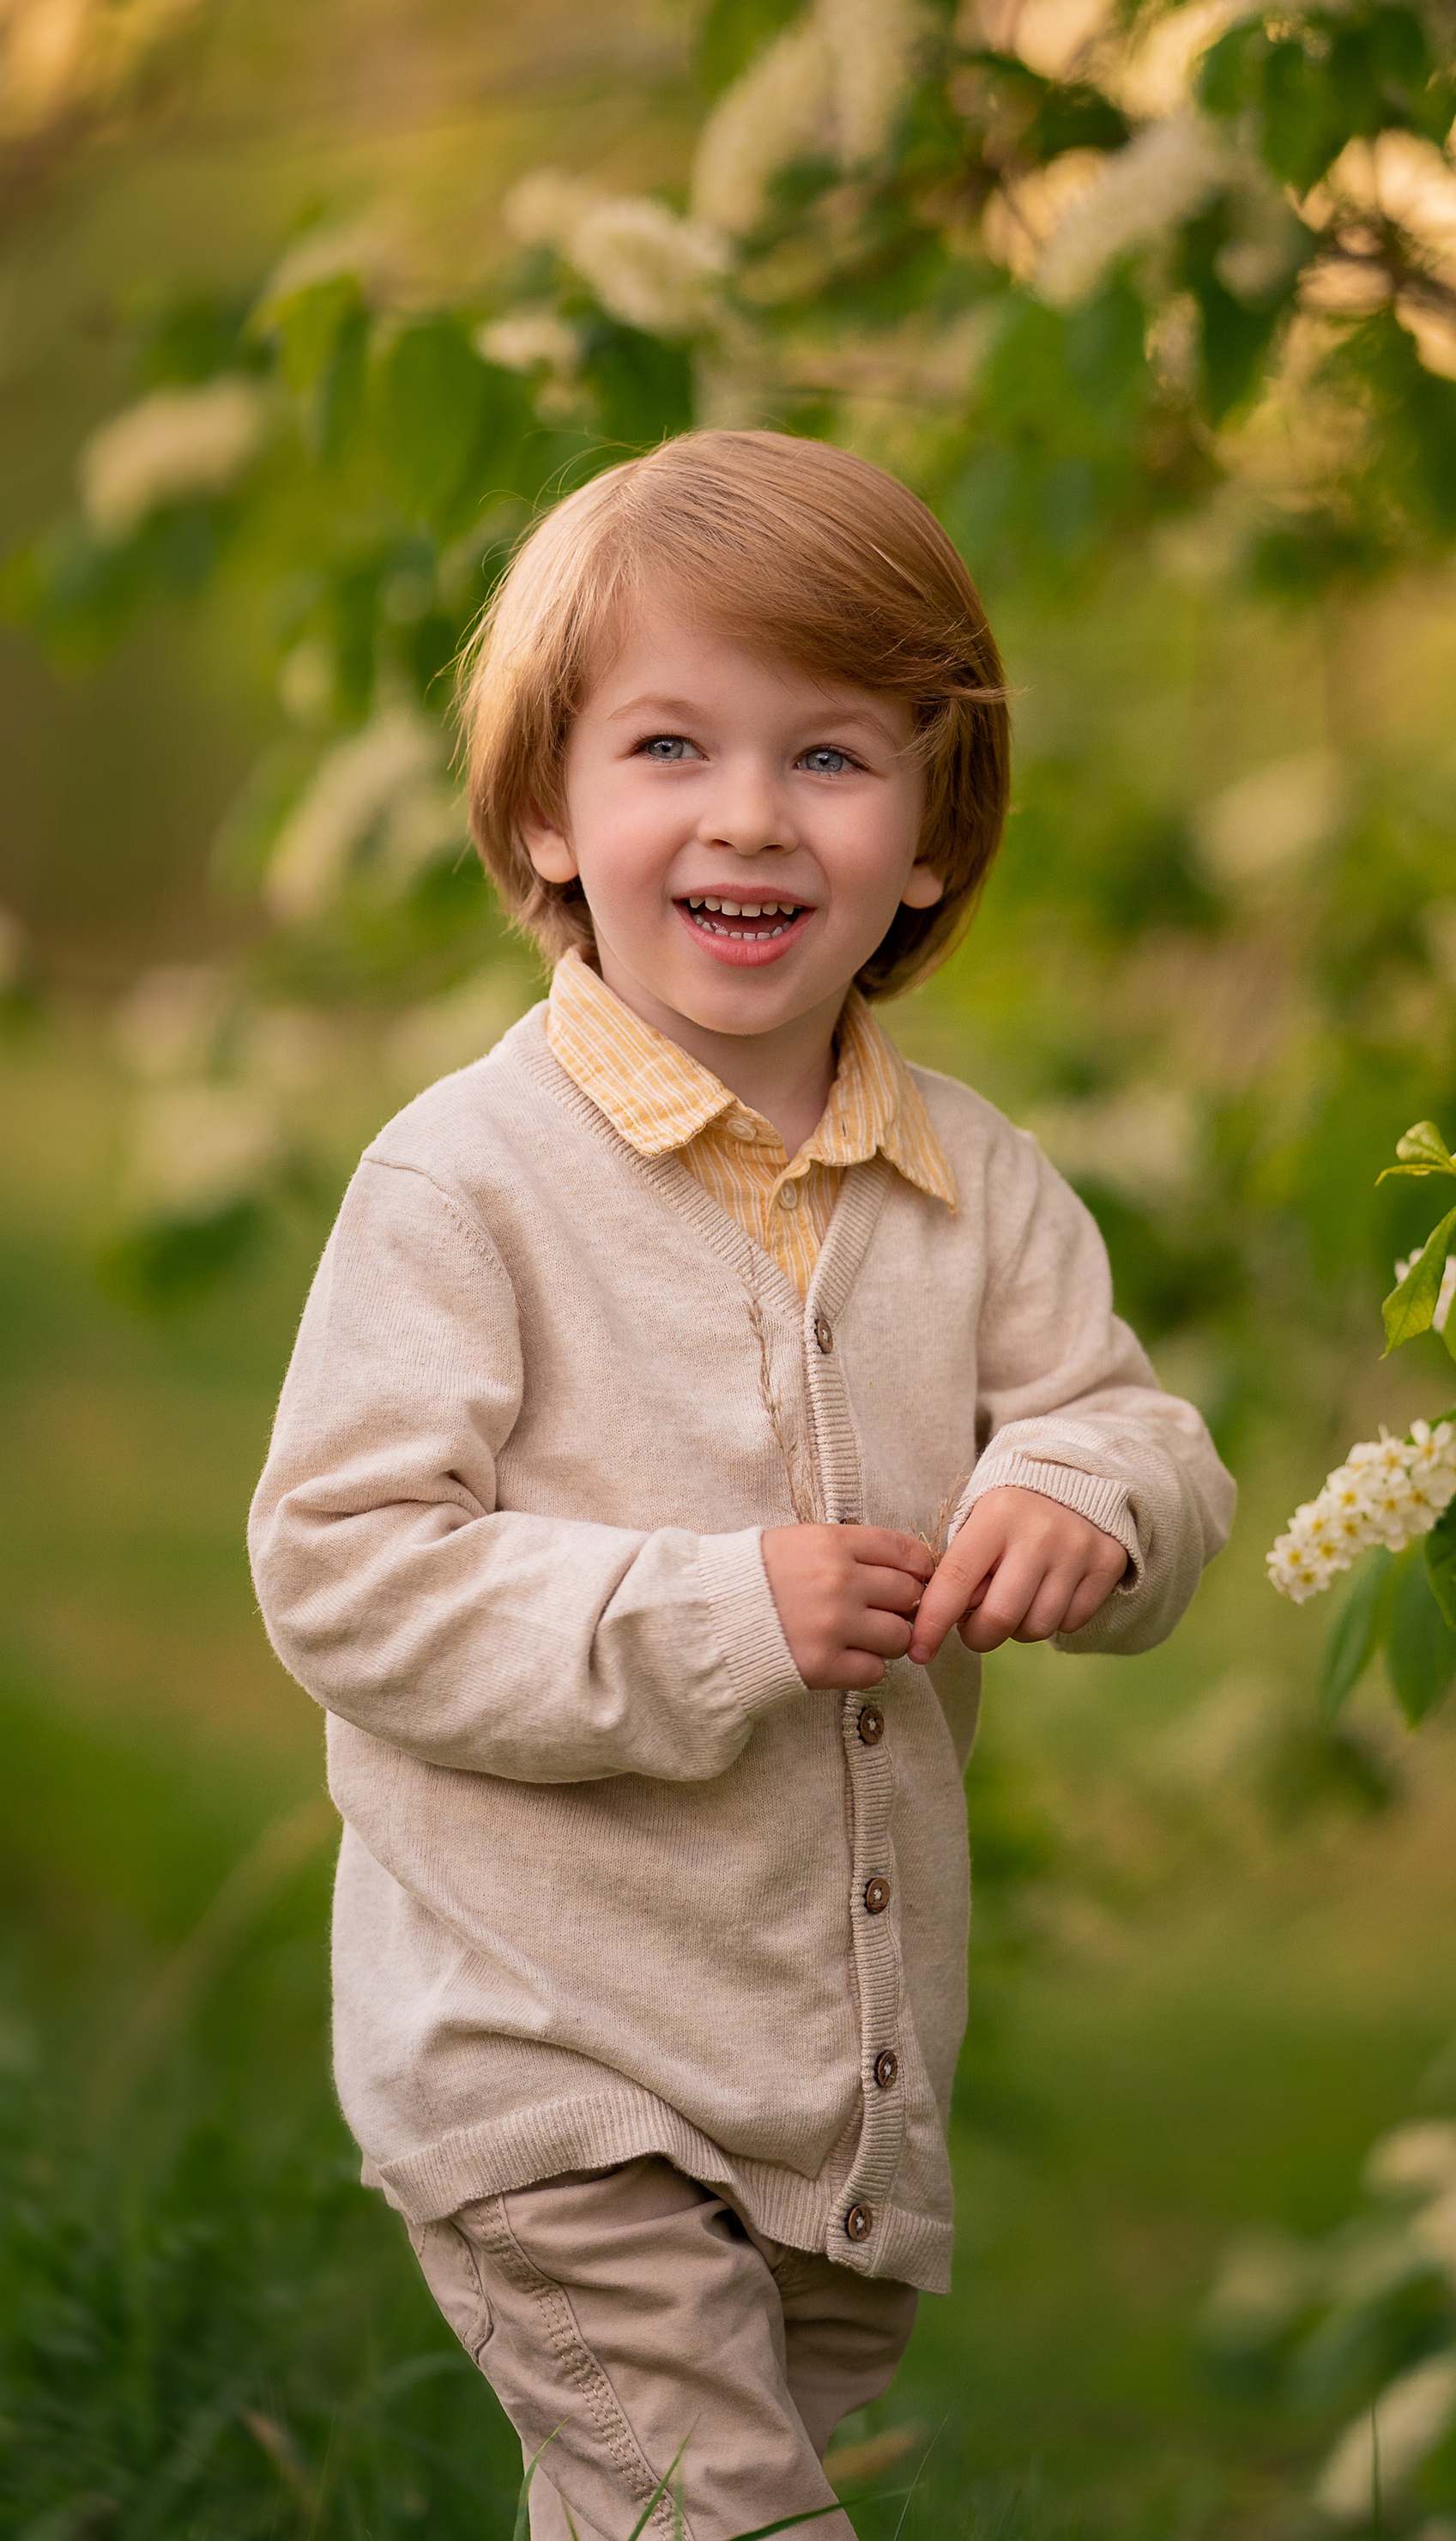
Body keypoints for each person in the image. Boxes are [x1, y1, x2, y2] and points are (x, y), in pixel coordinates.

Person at [248, 429, 1234, 2538]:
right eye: (669, 744)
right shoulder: (466, 1182)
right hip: (545, 2069)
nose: (747, 817)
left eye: (831, 758)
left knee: (650, 2511)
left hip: (827, 2088)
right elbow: (341, 1571)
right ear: (548, 807)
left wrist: (1089, 1496)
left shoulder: (980, 1186)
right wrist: (712, 1610)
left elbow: (1130, 1426)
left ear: (935, 836)